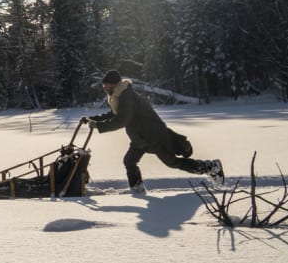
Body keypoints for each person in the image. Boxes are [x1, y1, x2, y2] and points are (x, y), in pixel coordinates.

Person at [83, 70, 223, 196]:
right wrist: (93, 119)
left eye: (105, 85)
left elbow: (122, 120)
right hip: (140, 138)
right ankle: (137, 190)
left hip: (153, 136)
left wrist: (99, 126)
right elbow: (115, 114)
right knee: (129, 161)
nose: (104, 88)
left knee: (173, 162)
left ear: (113, 84)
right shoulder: (120, 96)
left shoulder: (127, 96)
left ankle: (212, 167)